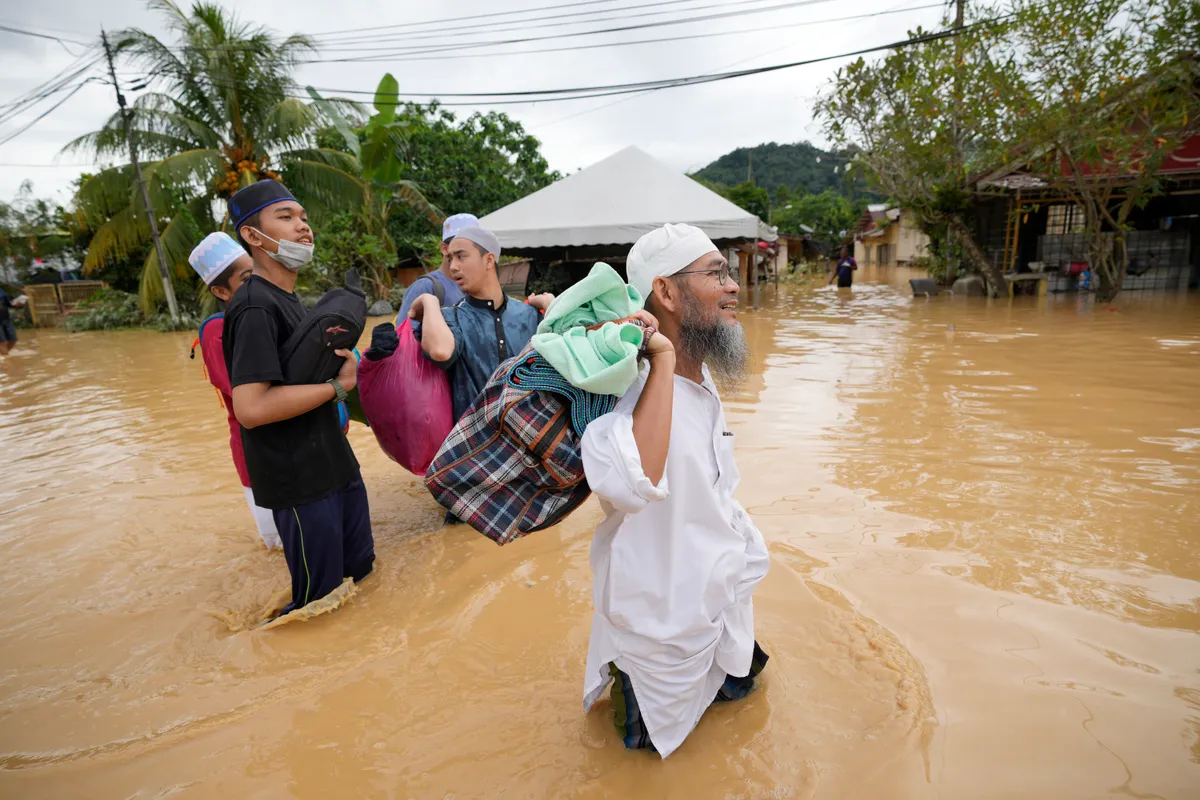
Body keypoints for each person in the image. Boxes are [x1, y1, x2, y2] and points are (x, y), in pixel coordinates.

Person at [580, 223, 771, 758]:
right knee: (647, 768)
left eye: (729, 273)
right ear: (665, 292)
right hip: (658, 627)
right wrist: (660, 355)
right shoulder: (629, 388)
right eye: (716, 274)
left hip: (719, 599)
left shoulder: (701, 379)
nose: (733, 286)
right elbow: (634, 483)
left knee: (748, 707)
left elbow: (717, 488)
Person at [223, 179, 374, 614]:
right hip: (299, 481)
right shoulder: (254, 306)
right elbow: (251, 409)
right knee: (319, 605)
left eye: (304, 217)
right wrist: (339, 387)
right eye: (286, 218)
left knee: (359, 575)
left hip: (333, 463)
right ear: (252, 236)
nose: (303, 227)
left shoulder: (290, 299)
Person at [188, 232, 281, 549]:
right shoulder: (217, 331)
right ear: (220, 291)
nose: (258, 285)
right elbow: (251, 394)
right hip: (258, 453)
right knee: (281, 546)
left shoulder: (268, 315)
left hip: (294, 447)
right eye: (246, 279)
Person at [409, 225, 553, 421]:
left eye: (461, 256)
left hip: (529, 435)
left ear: (489, 260)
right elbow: (440, 352)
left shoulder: (529, 315)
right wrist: (430, 301)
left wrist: (552, 307)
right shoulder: (453, 317)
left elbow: (567, 360)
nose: (452, 267)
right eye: (450, 259)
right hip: (476, 443)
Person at [395, 213, 477, 324]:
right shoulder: (425, 286)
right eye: (462, 246)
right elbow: (406, 337)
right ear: (444, 249)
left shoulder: (474, 286)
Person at [0, 288, 27, 356]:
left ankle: (3, 356)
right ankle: (6, 360)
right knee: (2, 342)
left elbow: (10, 304)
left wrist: (20, 300)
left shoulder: (2, 292)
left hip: (6, 319)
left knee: (13, 340)